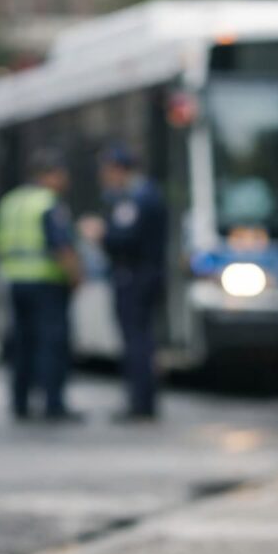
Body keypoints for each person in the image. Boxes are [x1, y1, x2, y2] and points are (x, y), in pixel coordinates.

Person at [0, 149, 82, 423]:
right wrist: (76, 277)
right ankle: (53, 404)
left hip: (17, 282)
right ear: (49, 175)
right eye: (61, 174)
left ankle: (20, 403)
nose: (65, 180)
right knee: (51, 345)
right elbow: (61, 247)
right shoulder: (47, 203)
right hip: (46, 283)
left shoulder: (11, 201)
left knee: (22, 344)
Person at [80, 145, 167, 422]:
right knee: (139, 340)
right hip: (141, 275)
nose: (104, 177)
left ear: (119, 170)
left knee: (136, 342)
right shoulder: (141, 195)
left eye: (107, 171)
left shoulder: (136, 199)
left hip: (135, 277)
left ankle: (140, 403)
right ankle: (141, 400)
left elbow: (125, 239)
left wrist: (100, 234)